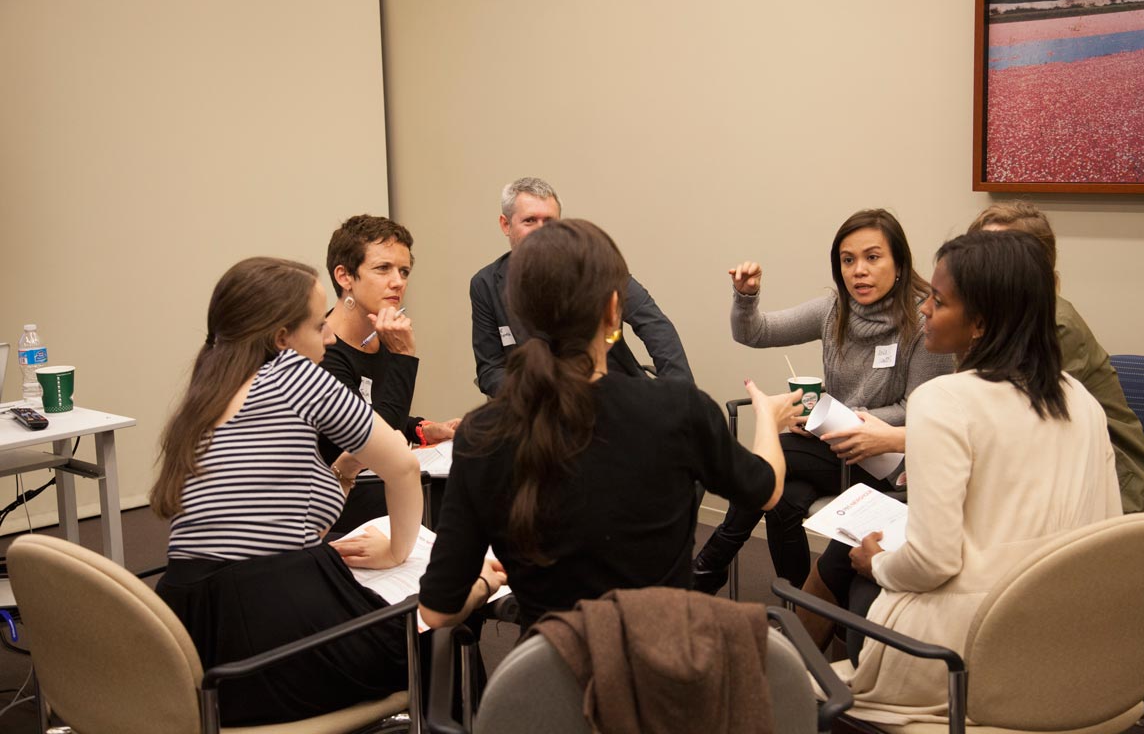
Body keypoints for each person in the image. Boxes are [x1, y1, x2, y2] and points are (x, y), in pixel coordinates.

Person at [420, 219, 798, 630]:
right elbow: (768, 489)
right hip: (671, 667)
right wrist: (767, 417)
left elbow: (437, 611)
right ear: (612, 310)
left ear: (520, 311)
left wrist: (485, 583)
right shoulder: (676, 408)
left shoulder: (482, 434)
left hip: (545, 683)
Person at [835, 230, 1121, 724]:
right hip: (1073, 646)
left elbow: (931, 561)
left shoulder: (943, 401)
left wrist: (878, 563)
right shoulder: (1080, 399)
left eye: (939, 302)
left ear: (981, 324)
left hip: (971, 652)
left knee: (856, 579)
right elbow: (1103, 536)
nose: (923, 309)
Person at [150, 257, 424, 726]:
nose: (331, 338)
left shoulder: (205, 393)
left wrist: (342, 470)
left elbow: (288, 512)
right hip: (272, 633)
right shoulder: (295, 376)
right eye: (319, 327)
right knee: (432, 633)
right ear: (282, 339)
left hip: (192, 639)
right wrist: (398, 552)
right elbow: (403, 466)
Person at [691, 209, 954, 593]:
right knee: (782, 500)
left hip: (887, 458)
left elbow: (917, 410)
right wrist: (746, 297)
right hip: (833, 450)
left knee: (776, 453)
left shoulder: (924, 319)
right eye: (848, 261)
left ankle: (707, 566)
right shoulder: (834, 311)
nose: (858, 271)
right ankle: (803, 601)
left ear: (899, 264)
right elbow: (756, 333)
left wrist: (834, 417)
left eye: (872, 257)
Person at [968, 201, 1144, 513]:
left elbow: (1026, 430)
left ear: (1036, 266)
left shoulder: (1054, 325)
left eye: (998, 253)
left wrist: (908, 440)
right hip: (1042, 487)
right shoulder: (990, 320)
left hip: (1109, 491)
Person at [470, 176, 692, 397]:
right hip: (539, 407)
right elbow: (490, 369)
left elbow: (654, 325)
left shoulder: (596, 265)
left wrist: (681, 398)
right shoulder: (486, 284)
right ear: (505, 224)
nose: (541, 231)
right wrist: (531, 400)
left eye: (549, 222)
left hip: (614, 395)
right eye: (529, 221)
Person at [319, 215, 460, 534]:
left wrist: (422, 429)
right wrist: (402, 358)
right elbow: (374, 444)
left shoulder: (378, 336)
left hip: (381, 506)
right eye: (383, 269)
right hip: (339, 519)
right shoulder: (323, 351)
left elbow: (369, 410)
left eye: (404, 271)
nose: (398, 281)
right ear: (345, 276)